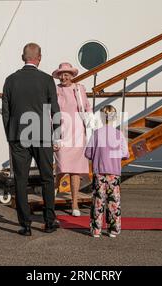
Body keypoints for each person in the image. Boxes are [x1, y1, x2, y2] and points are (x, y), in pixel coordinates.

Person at [2, 43, 61, 236]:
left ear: (22, 57)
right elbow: (55, 110)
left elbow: (6, 112)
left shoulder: (10, 80)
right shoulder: (46, 80)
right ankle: (49, 221)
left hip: (19, 136)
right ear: (40, 58)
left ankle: (25, 225)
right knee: (46, 178)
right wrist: (57, 135)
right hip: (43, 134)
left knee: (20, 179)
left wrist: (10, 136)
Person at [52, 62, 93, 217]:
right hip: (61, 130)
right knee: (61, 166)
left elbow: (87, 107)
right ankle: (53, 193)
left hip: (77, 130)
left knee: (75, 170)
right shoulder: (55, 90)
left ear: (72, 75)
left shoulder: (79, 88)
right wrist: (53, 135)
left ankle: (74, 204)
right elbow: (50, 112)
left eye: (67, 73)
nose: (64, 76)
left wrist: (90, 122)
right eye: (62, 74)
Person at [85, 105, 129, 238]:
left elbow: (88, 153)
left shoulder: (96, 133)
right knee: (113, 201)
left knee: (98, 201)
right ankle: (113, 230)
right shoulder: (118, 134)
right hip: (114, 172)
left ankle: (96, 230)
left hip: (99, 171)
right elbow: (125, 153)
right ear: (114, 118)